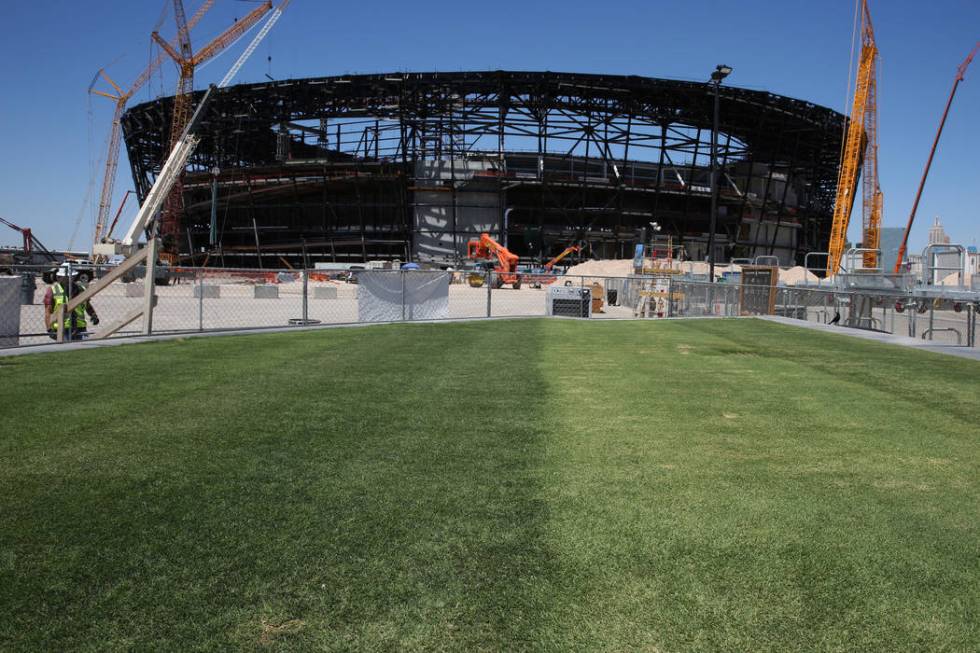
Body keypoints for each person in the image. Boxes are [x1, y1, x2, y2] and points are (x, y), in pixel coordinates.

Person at [44, 266, 99, 340]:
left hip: (80, 327)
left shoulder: (81, 289)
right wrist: (49, 329)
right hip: (61, 328)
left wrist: (93, 315)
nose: (69, 279)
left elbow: (87, 305)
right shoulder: (53, 290)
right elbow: (48, 311)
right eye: (65, 277)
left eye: (71, 276)